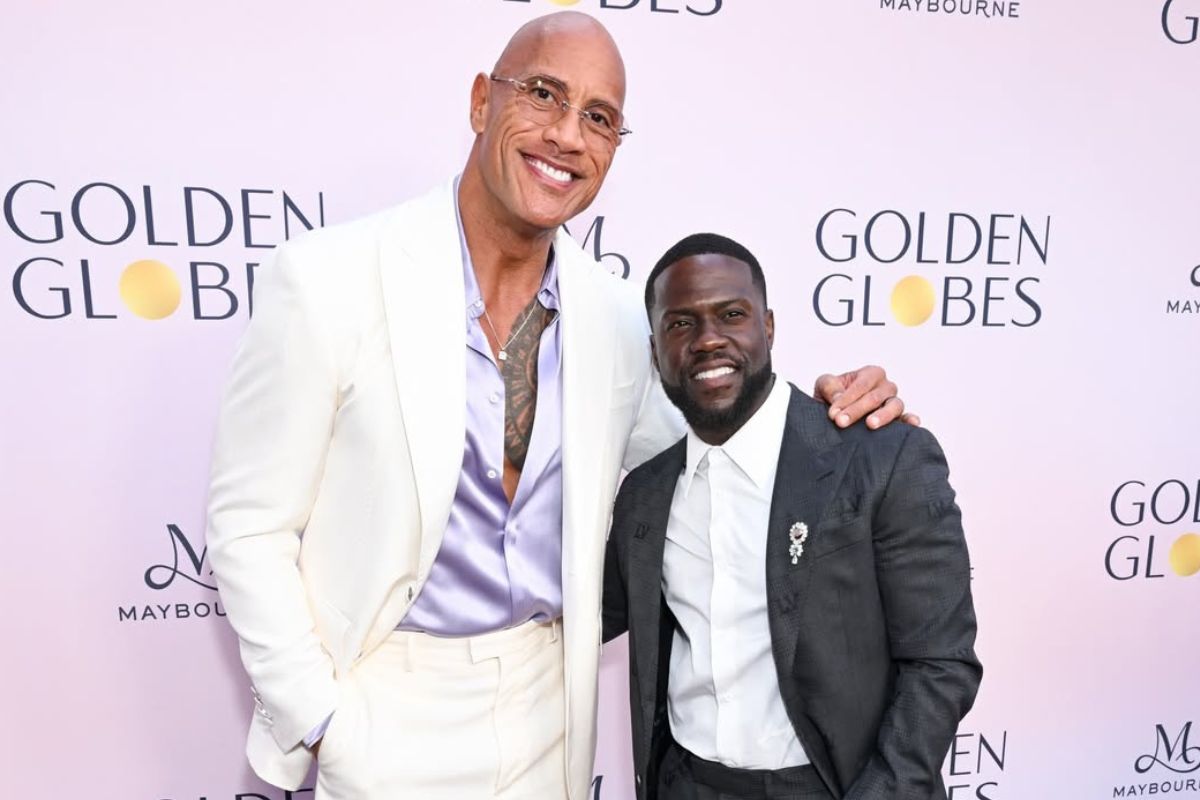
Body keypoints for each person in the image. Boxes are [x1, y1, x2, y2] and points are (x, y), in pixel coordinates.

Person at [206, 13, 913, 800]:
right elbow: (248, 527)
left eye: (600, 118)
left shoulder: (619, 318)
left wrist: (844, 422)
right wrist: (322, 719)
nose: (568, 135)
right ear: (482, 101)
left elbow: (718, 444)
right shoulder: (328, 279)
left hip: (552, 714)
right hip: (383, 704)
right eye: (543, 94)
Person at [602, 233, 981, 800]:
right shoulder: (646, 493)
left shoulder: (881, 455)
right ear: (656, 352)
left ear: (769, 327)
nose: (708, 339)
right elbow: (577, 615)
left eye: (731, 314)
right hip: (687, 782)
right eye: (680, 324)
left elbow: (940, 662)